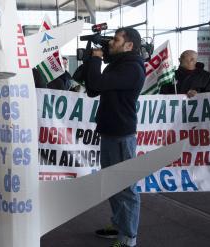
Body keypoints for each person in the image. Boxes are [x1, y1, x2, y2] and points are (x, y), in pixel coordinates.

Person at [84, 27, 145, 247]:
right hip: (110, 132)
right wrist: (92, 61)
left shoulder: (132, 68)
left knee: (126, 187)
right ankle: (119, 225)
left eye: (116, 40)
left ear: (129, 45)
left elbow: (97, 84)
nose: (111, 43)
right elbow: (92, 89)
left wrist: (96, 60)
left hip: (121, 135)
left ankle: (128, 237)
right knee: (111, 183)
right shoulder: (118, 65)